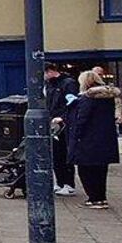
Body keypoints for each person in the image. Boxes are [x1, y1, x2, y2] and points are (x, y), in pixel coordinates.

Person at [56, 69, 121, 209]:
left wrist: (72, 129)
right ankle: (101, 198)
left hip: (87, 140)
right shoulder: (107, 98)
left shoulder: (87, 99)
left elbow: (81, 119)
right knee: (101, 171)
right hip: (104, 140)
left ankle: (93, 198)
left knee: (86, 170)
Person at [45, 62, 76, 196]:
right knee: (56, 155)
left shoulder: (68, 83)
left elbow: (72, 103)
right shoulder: (50, 85)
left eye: (44, 74)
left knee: (65, 154)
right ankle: (60, 182)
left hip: (64, 124)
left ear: (50, 71)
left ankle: (68, 184)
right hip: (53, 123)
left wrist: (63, 117)